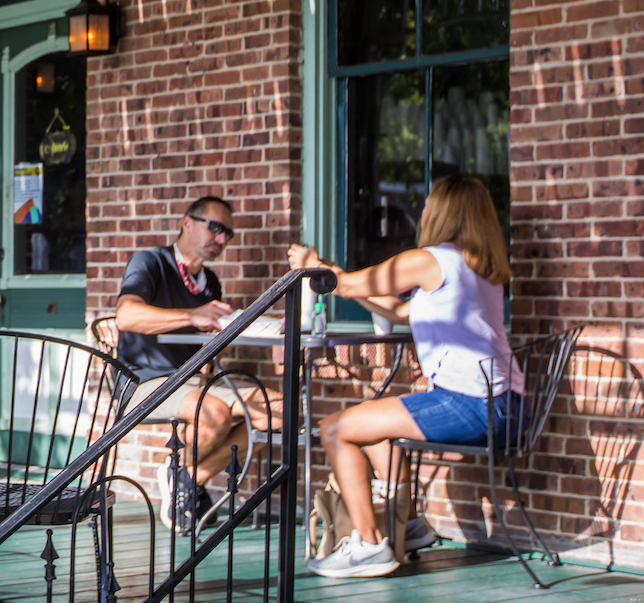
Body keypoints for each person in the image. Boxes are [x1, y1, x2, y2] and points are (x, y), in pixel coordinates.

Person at [288, 173, 519, 579]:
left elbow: (349, 284)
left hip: (472, 404)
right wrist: (341, 282)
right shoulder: (477, 266)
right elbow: (397, 312)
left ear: (445, 211)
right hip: (506, 406)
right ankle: (409, 526)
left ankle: (370, 546)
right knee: (371, 425)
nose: (423, 210)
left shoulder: (430, 259)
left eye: (429, 203)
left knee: (335, 428)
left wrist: (314, 266)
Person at [114, 196, 277, 531]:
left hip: (196, 381)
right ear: (187, 222)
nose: (221, 239)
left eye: (227, 234)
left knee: (278, 411)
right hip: (144, 380)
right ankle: (184, 480)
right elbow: (126, 316)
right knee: (214, 413)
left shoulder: (210, 283)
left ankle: (185, 476)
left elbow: (208, 341)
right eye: (215, 228)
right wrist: (192, 315)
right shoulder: (151, 261)